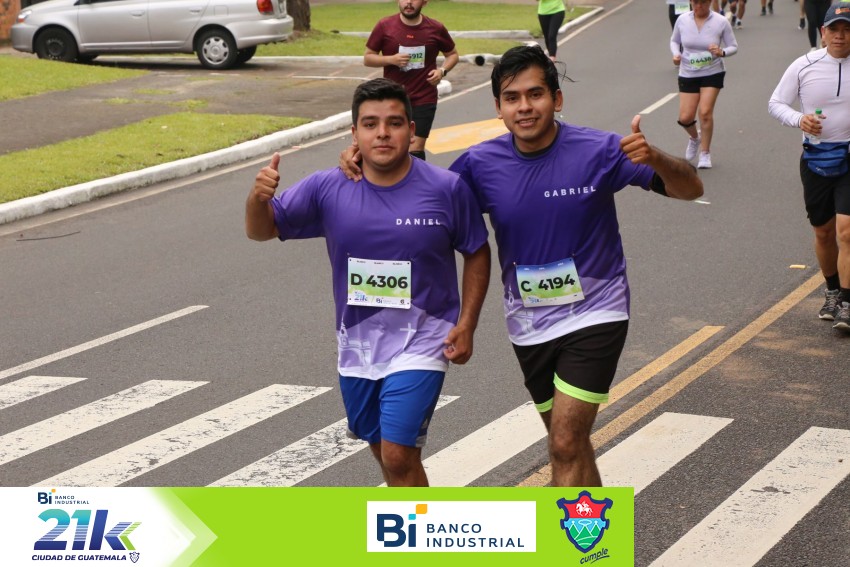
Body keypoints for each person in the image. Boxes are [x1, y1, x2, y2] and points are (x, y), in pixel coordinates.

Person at [339, 45, 703, 487]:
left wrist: (657, 157)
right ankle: (590, 532)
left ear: (557, 98)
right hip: (529, 325)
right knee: (568, 443)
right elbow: (423, 194)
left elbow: (690, 188)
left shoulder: (600, 149)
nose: (524, 107)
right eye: (512, 98)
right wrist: (361, 158)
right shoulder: (479, 164)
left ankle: (569, 533)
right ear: (498, 107)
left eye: (535, 94)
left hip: (596, 313)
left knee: (566, 441)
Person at [246, 78, 491, 486]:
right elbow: (261, 230)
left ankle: (424, 529)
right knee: (388, 456)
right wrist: (258, 199)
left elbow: (477, 250)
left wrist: (467, 323)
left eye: (394, 123)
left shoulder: (446, 189)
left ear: (411, 130)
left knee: (397, 454)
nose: (382, 133)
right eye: (370, 123)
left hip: (424, 340)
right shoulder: (328, 187)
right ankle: (422, 524)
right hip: (358, 347)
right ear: (354, 133)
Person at [768, 2, 850, 331]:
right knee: (824, 231)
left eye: (847, 30)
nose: (841, 36)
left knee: (846, 230)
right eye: (835, 29)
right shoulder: (804, 65)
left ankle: (847, 302)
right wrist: (799, 119)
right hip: (816, 158)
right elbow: (776, 103)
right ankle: (832, 292)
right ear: (823, 32)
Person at [364, 0, 459, 161]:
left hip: (424, 97)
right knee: (395, 146)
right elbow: (368, 58)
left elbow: (453, 54)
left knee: (415, 148)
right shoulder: (385, 26)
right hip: (393, 99)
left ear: (424, 2)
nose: (408, 2)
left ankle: (416, 177)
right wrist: (391, 59)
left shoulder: (435, 28)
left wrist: (442, 71)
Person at [671, 0, 738, 169]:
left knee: (705, 112)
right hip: (688, 72)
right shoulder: (683, 20)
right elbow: (674, 40)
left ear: (709, 2)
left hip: (712, 72)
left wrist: (722, 52)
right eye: (695, 2)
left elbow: (733, 46)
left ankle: (705, 153)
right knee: (685, 118)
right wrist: (676, 54)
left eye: (702, 3)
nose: (698, 6)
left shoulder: (720, 21)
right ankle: (695, 138)